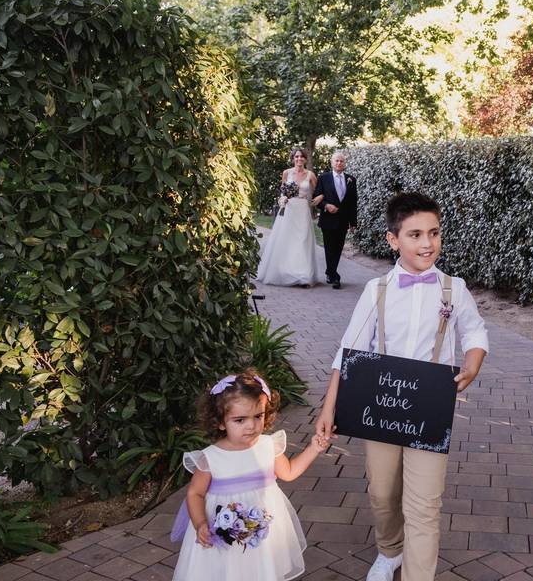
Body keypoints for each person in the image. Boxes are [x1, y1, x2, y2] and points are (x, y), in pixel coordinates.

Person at [314, 192, 489, 581]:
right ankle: (390, 549)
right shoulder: (377, 290)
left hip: (428, 411)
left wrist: (473, 362)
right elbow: (349, 351)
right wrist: (329, 410)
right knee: (382, 492)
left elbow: (474, 330)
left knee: (425, 504)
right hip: (380, 409)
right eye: (414, 235)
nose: (427, 244)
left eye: (434, 233)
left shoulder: (453, 289)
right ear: (394, 239)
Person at [171, 370, 330, 581]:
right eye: (240, 420)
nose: (251, 425)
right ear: (220, 421)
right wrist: (200, 523)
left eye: (258, 416)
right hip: (222, 532)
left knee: (260, 569)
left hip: (260, 531)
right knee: (226, 571)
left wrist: (313, 449)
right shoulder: (211, 458)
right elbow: (195, 494)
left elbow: (289, 472)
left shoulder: (268, 446)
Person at [256, 146, 325, 286]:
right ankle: (286, 272)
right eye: (296, 157)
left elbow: (320, 191)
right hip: (289, 210)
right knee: (287, 240)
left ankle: (303, 275)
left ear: (305, 159)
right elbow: (282, 192)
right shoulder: (286, 173)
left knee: (302, 241)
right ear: (293, 158)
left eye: (302, 157)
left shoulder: (310, 175)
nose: (299, 159)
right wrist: (282, 199)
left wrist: (320, 198)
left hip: (303, 210)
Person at [313, 151, 357, 289]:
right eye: (336, 161)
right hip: (328, 219)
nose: (339, 163)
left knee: (338, 248)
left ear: (344, 163)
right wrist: (326, 205)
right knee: (329, 248)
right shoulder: (323, 178)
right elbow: (316, 199)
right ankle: (333, 276)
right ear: (331, 162)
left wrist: (353, 222)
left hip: (343, 220)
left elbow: (352, 202)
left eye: (341, 161)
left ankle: (330, 272)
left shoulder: (351, 179)